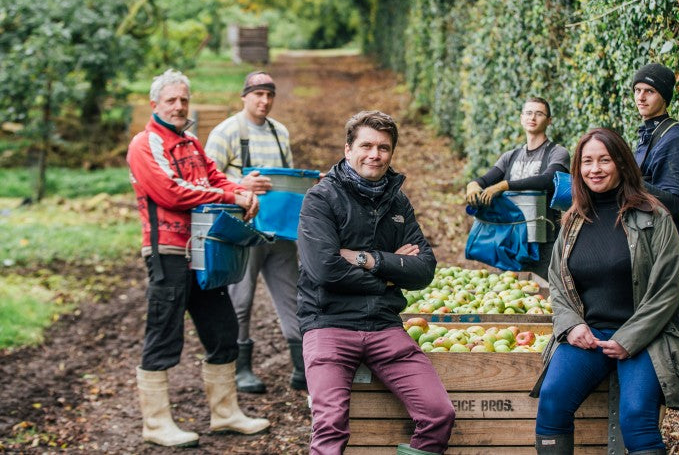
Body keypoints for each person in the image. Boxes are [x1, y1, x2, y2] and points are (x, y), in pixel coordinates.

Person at [296, 111, 455, 455]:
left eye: (383, 147)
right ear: (348, 149)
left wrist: (370, 259)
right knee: (330, 425)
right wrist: (389, 278)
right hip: (329, 323)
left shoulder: (397, 202)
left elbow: (424, 269)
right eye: (366, 145)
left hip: (384, 326)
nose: (375, 154)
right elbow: (325, 269)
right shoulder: (321, 199)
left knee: (439, 413)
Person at [530, 128, 679, 454]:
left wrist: (629, 338)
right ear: (577, 168)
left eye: (604, 160)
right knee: (552, 401)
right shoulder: (573, 219)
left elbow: (668, 288)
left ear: (621, 163)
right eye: (587, 161)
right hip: (589, 334)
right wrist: (571, 324)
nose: (595, 169)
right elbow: (558, 281)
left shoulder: (654, 216)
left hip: (646, 336)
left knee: (636, 417)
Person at [127, 69, 269, 448]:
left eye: (183, 100)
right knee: (164, 334)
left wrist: (239, 190)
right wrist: (232, 197)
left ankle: (226, 414)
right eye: (171, 100)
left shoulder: (190, 141)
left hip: (204, 251)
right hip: (168, 252)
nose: (179, 106)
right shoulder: (145, 144)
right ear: (154, 104)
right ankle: (156, 424)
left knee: (223, 331)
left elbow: (214, 177)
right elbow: (172, 192)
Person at [206, 71, 306, 392]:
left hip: (278, 230)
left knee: (293, 296)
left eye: (269, 95)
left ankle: (303, 368)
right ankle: (241, 368)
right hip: (242, 231)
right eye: (258, 94)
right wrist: (240, 185)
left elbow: (287, 180)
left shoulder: (280, 132)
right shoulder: (226, 133)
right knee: (241, 299)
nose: (264, 101)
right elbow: (206, 181)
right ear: (244, 96)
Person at [465, 97, 570, 279]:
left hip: (544, 242)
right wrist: (472, 185)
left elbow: (548, 180)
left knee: (545, 297)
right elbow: (484, 180)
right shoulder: (510, 156)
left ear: (549, 120)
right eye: (528, 113)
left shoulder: (557, 152)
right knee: (510, 297)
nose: (533, 117)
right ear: (522, 118)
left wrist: (504, 185)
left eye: (539, 113)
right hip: (510, 242)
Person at [631, 63, 679, 246]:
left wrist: (626, 181)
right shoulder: (649, 132)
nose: (640, 97)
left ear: (664, 97)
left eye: (649, 91)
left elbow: (674, 203)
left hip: (662, 242)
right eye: (637, 90)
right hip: (645, 237)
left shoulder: (674, 138)